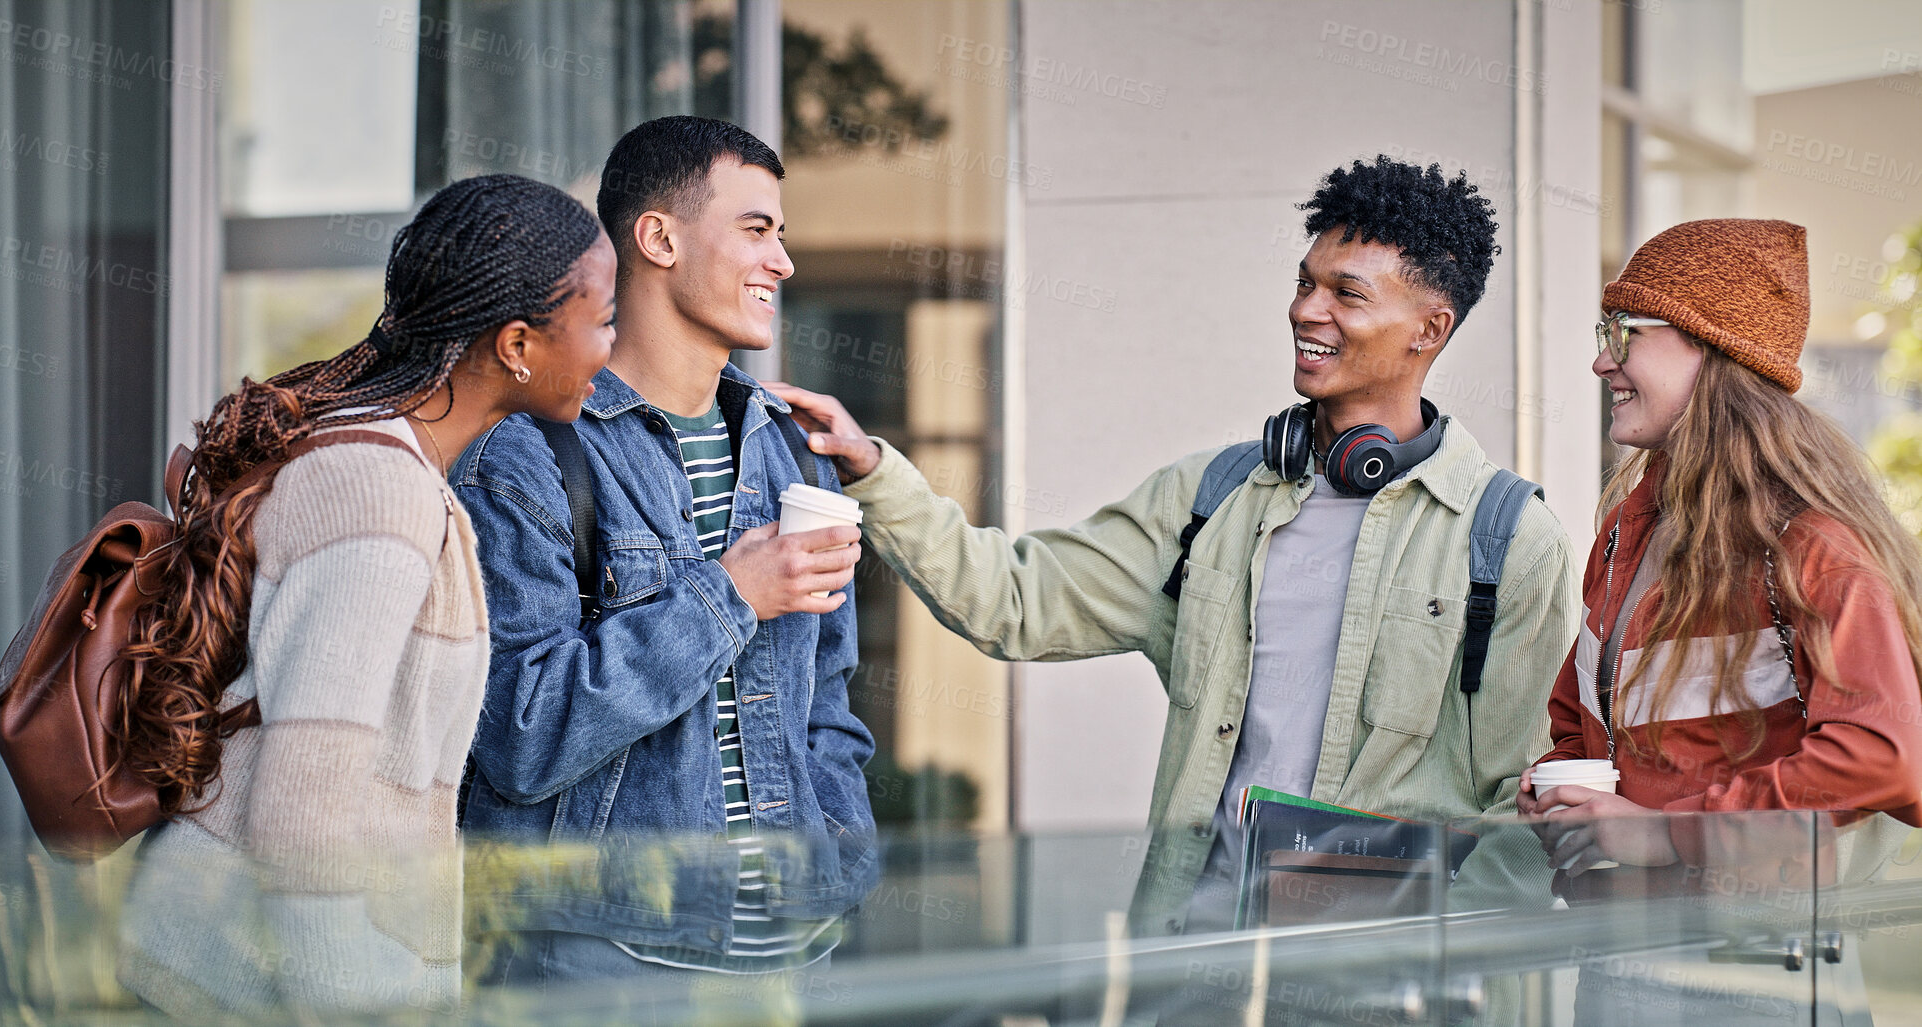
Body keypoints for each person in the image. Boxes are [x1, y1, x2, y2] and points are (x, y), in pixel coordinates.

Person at [773, 154, 1580, 946]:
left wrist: (1433, 962)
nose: (1306, 310)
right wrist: (875, 473)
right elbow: (1014, 601)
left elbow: (1526, 809)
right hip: (1195, 962)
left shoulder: (1507, 541)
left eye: (1346, 293)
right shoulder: (1210, 500)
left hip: (1387, 985)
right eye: (1304, 282)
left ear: (1428, 329)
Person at [115, 175, 613, 1019]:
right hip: (244, 986)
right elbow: (303, 810)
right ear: (519, 342)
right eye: (603, 318)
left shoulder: (396, 465)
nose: (613, 345)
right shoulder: (379, 491)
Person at [452, 116, 875, 992]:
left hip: (797, 962)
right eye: (756, 230)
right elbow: (520, 737)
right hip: (608, 965)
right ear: (658, 238)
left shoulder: (789, 449)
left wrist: (839, 847)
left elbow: (826, 696)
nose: (783, 262)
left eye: (780, 235)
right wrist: (729, 595)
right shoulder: (530, 457)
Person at [1517, 219, 1922, 1021]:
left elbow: (1884, 757)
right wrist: (1563, 793)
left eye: (1623, 333)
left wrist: (1663, 833)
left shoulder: (1809, 546)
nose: (1602, 359)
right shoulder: (1627, 529)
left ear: (1709, 348)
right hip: (1620, 961)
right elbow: (1581, 720)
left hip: (1755, 977)